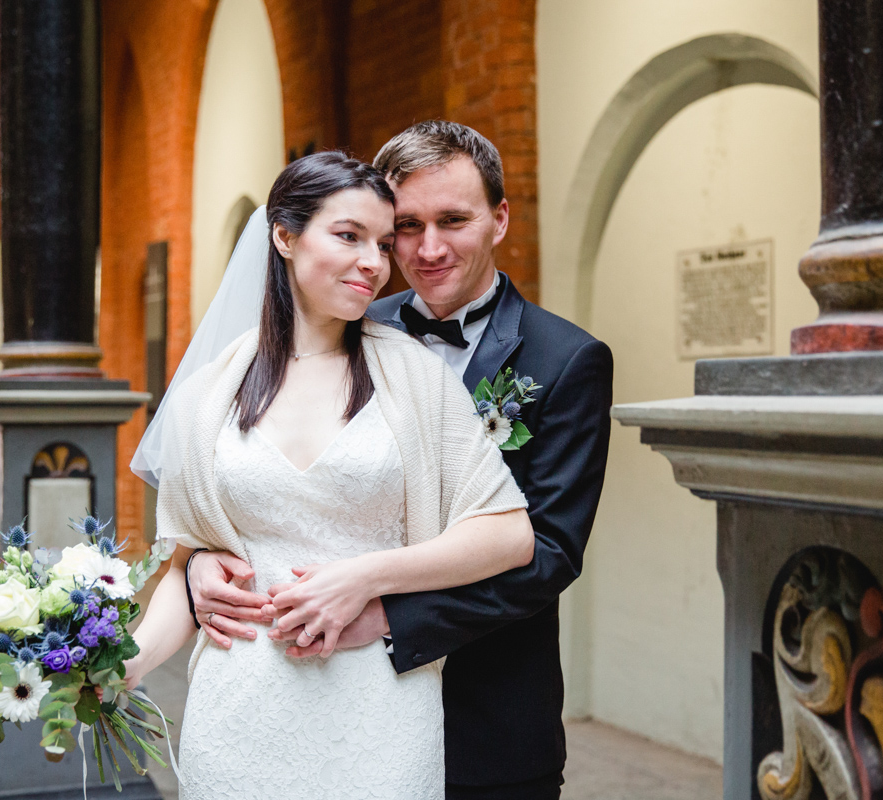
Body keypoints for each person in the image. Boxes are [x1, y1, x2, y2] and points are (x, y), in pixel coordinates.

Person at [190, 122, 614, 799]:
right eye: (407, 228)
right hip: (331, 701)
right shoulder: (346, 323)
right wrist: (201, 560)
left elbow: (549, 550)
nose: (429, 248)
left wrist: (387, 614)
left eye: (454, 220)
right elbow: (266, 477)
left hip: (488, 717)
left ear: (500, 218)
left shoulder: (565, 361)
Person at [126, 151, 535, 800]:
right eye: (348, 236)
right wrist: (124, 666)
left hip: (379, 708)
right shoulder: (209, 395)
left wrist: (367, 576)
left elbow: (509, 535)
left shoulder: (414, 376)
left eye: (381, 241)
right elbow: (182, 571)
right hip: (239, 713)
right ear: (284, 237)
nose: (374, 262)